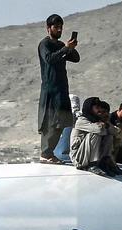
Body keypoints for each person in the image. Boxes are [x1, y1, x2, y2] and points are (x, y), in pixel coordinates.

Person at [37, 14, 80, 164]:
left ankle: (49, 153)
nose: (59, 29)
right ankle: (45, 153)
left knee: (62, 122)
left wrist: (70, 48)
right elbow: (49, 59)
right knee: (50, 122)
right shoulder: (45, 44)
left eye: (61, 27)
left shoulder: (60, 44)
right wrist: (65, 49)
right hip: (50, 89)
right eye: (56, 27)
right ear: (48, 28)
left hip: (61, 89)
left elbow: (75, 58)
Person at [70, 97, 122, 176]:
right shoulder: (82, 120)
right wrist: (104, 125)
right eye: (96, 108)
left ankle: (105, 161)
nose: (99, 110)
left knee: (109, 136)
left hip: (89, 155)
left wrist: (107, 124)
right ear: (90, 109)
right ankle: (92, 164)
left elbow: (115, 132)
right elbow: (99, 130)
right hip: (79, 158)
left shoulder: (97, 120)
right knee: (95, 134)